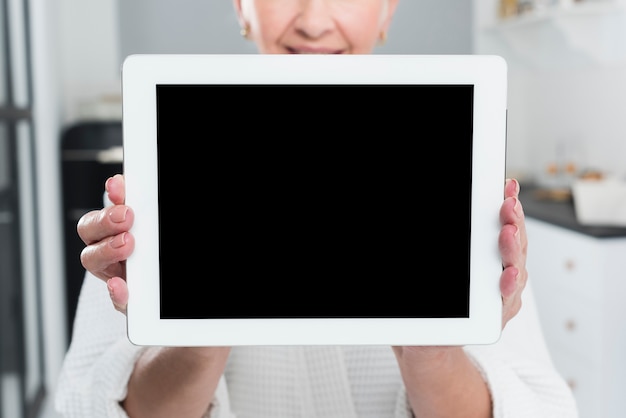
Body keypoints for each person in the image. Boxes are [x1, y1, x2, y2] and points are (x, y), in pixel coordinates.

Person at [55, 1, 579, 417]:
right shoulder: (152, 184)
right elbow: (85, 408)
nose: (312, 19)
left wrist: (434, 353)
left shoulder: (464, 176)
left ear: (387, 10)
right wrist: (192, 331)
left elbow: (539, 409)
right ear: (242, 7)